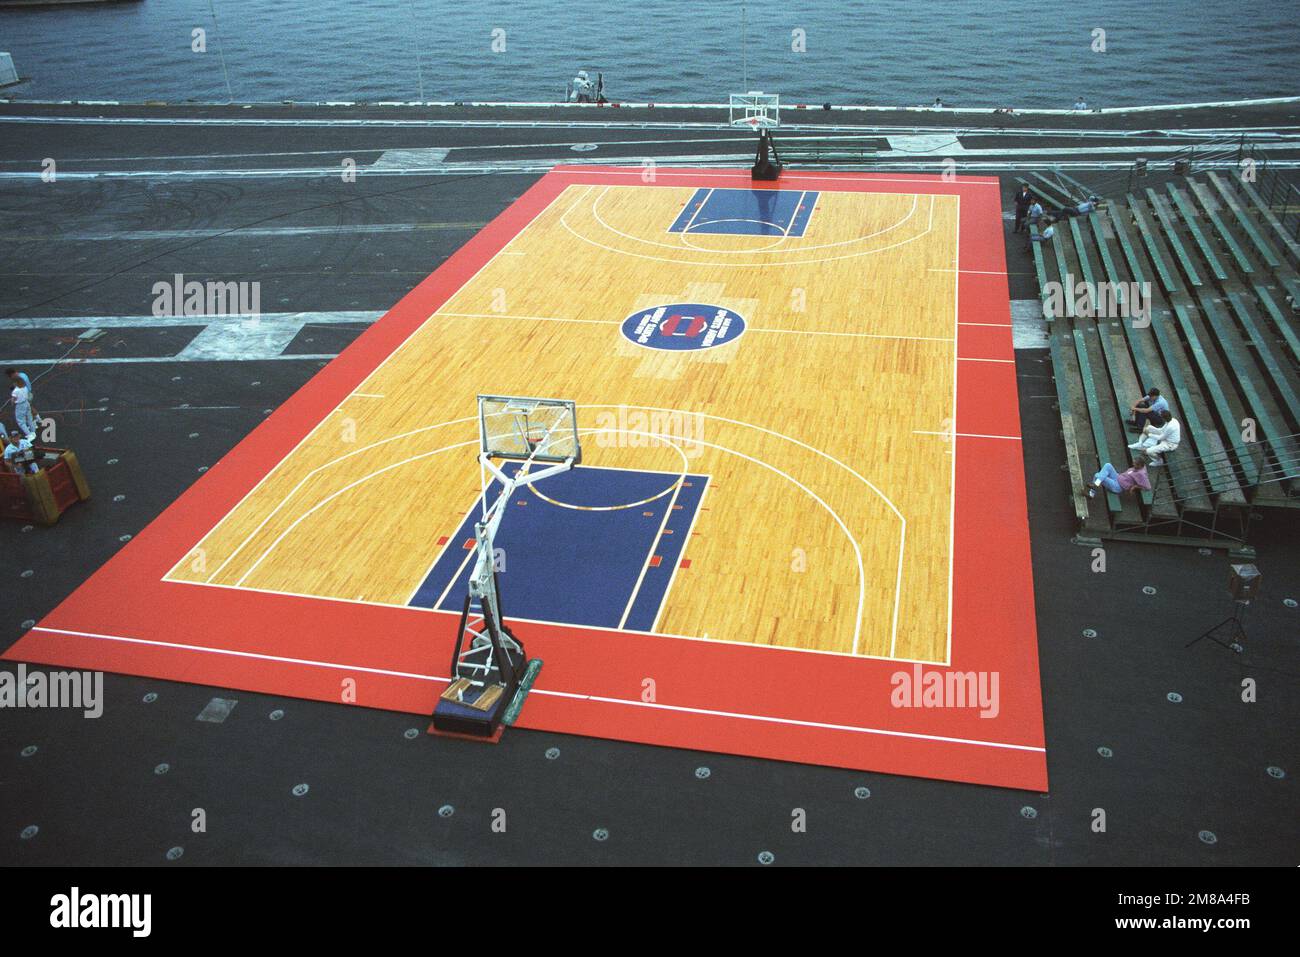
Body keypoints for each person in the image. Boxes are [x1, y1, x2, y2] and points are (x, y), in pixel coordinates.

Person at [6, 367, 38, 440]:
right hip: (26, 402)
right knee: (29, 417)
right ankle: (33, 431)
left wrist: (12, 400)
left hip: (20, 406)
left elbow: (13, 401)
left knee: (21, 421)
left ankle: (29, 435)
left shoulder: (15, 391)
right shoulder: (25, 388)